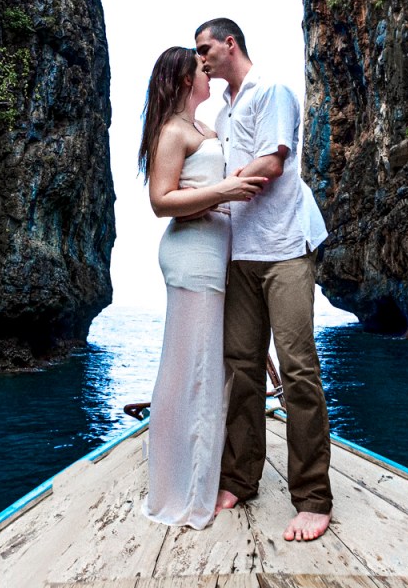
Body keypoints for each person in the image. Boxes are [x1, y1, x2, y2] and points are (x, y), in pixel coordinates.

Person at [194, 17, 333, 542]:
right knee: (242, 371)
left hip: (284, 250)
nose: (200, 58)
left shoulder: (270, 91)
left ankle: (314, 498)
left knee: (297, 370)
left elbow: (272, 164)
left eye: (205, 48)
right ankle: (240, 479)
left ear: (231, 44)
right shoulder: (224, 112)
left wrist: (218, 188)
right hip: (240, 256)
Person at [138, 45, 268, 529]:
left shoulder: (206, 130)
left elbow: (198, 192)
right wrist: (225, 192)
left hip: (216, 256)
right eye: (199, 70)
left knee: (209, 369)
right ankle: (179, 488)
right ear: (181, 80)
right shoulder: (172, 131)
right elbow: (160, 200)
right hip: (191, 258)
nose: (207, 73)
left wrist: (220, 191)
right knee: (188, 371)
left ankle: (201, 475)